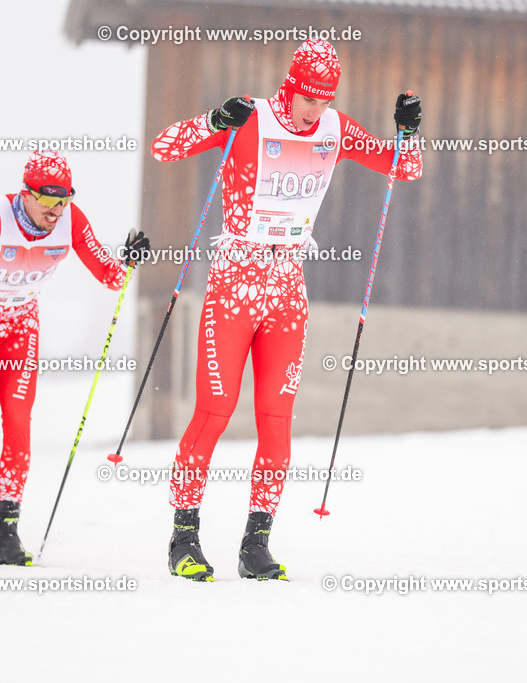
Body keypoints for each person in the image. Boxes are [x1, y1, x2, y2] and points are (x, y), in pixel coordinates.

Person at [151, 38, 423, 581]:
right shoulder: (250, 118)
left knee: (276, 422)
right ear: (291, 87)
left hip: (286, 288)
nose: (315, 112)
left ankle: (257, 543)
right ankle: (184, 537)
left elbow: (403, 168)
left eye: (325, 101)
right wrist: (211, 120)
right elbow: (164, 146)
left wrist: (409, 133)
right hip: (234, 279)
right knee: (215, 411)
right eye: (308, 100)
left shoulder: (336, 129)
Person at [0, 150, 150, 567]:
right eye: (47, 200)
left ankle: (6, 533)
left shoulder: (70, 220)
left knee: (17, 422)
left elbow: (110, 275)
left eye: (63, 199)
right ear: (26, 194)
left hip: (19, 331)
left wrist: (130, 258)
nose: (56, 209)